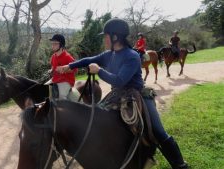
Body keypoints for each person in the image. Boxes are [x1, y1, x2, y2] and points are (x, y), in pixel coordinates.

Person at [56, 18, 188, 169]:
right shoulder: (109, 54)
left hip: (138, 95)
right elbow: (89, 60)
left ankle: (180, 164)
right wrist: (69, 65)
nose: (104, 39)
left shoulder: (131, 56)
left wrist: (99, 71)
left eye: (105, 36)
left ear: (115, 37)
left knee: (158, 131)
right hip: (116, 94)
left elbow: (120, 80)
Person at [48, 34, 77, 99]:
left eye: (55, 43)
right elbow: (53, 67)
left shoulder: (68, 57)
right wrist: (51, 70)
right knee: (43, 90)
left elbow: (75, 69)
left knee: (61, 96)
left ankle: (66, 108)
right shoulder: (53, 56)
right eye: (52, 43)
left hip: (66, 81)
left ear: (61, 45)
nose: (52, 45)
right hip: (55, 80)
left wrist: (64, 70)